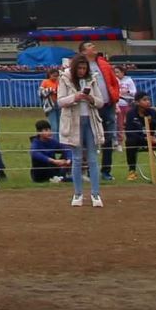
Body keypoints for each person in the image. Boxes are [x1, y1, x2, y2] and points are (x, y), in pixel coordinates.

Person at [57, 54, 103, 207]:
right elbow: (60, 101)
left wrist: (91, 99)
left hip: (90, 121)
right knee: (76, 159)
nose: (82, 71)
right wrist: (75, 97)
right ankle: (78, 194)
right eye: (79, 68)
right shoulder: (65, 79)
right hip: (73, 122)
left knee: (92, 159)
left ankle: (95, 194)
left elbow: (100, 102)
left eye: (84, 68)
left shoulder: (92, 79)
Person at [78, 40, 120, 181]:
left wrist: (115, 96)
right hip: (90, 107)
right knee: (90, 139)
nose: (93, 47)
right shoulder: (80, 66)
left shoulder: (103, 63)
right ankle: (91, 170)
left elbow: (114, 82)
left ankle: (106, 171)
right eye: (89, 46)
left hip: (108, 105)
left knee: (108, 138)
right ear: (83, 51)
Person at [28, 119, 71, 183]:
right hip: (40, 174)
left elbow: (66, 148)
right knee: (39, 159)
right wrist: (54, 161)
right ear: (39, 132)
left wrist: (68, 160)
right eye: (46, 130)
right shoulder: (35, 143)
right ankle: (59, 178)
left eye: (49, 130)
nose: (49, 132)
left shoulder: (52, 142)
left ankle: (61, 176)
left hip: (53, 168)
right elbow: (34, 153)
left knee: (68, 154)